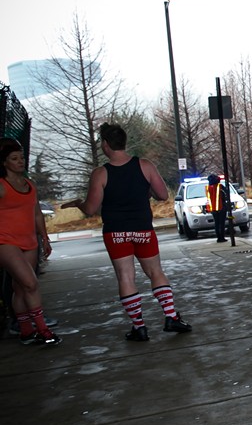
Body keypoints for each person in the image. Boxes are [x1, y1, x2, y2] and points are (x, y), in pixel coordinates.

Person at [62, 123, 192, 342]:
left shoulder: (101, 173)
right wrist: (145, 190)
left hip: (115, 232)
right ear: (123, 142)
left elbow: (91, 208)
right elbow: (162, 195)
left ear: (105, 144)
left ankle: (139, 327)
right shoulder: (145, 165)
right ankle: (171, 317)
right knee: (155, 272)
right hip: (142, 228)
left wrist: (78, 204)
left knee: (125, 276)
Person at [0, 139, 60, 346]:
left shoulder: (29, 185)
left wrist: (44, 237)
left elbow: (36, 215)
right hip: (5, 241)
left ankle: (26, 331)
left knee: (20, 287)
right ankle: (42, 329)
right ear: (4, 162)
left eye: (22, 158)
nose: (20, 162)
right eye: (14, 159)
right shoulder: (1, 185)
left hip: (29, 240)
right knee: (30, 283)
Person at [206, 173, 228, 242]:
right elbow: (226, 194)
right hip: (221, 207)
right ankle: (222, 237)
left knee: (216, 223)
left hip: (213, 208)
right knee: (221, 223)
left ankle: (218, 237)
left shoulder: (208, 188)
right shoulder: (220, 187)